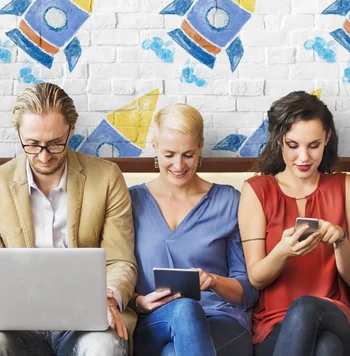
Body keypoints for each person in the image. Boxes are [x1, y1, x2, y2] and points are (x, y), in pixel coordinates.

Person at [0, 83, 137, 356]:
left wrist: (108, 297)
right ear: (18, 133)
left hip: (85, 320)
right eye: (32, 144)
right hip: (16, 323)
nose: (43, 155)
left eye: (55, 143)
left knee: (104, 347)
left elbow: (121, 261)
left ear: (71, 131)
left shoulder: (107, 178)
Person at [238, 91, 350, 356]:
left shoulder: (348, 187)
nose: (304, 157)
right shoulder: (256, 191)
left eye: (314, 145)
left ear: (327, 138)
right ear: (279, 141)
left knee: (307, 307)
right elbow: (257, 278)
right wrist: (283, 252)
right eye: (293, 145)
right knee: (326, 349)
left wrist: (340, 241)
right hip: (275, 323)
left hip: (337, 314)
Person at [129, 103, 257, 356]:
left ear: (200, 147)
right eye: (169, 154)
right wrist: (138, 302)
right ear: (154, 147)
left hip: (221, 321)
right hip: (155, 322)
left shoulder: (229, 200)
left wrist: (214, 281)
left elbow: (249, 292)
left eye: (188, 154)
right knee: (184, 309)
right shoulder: (130, 202)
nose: (179, 165)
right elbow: (114, 269)